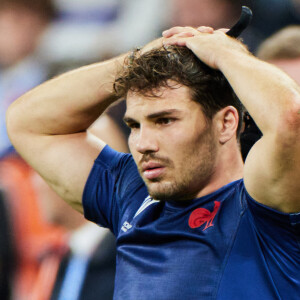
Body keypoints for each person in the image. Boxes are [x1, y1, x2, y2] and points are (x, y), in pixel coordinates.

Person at [6, 24, 300, 299]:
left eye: (165, 120)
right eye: (134, 125)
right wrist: (141, 58)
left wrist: (225, 53)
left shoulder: (266, 207)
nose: (144, 143)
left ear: (225, 123)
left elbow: (290, 119)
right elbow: (27, 122)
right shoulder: (130, 196)